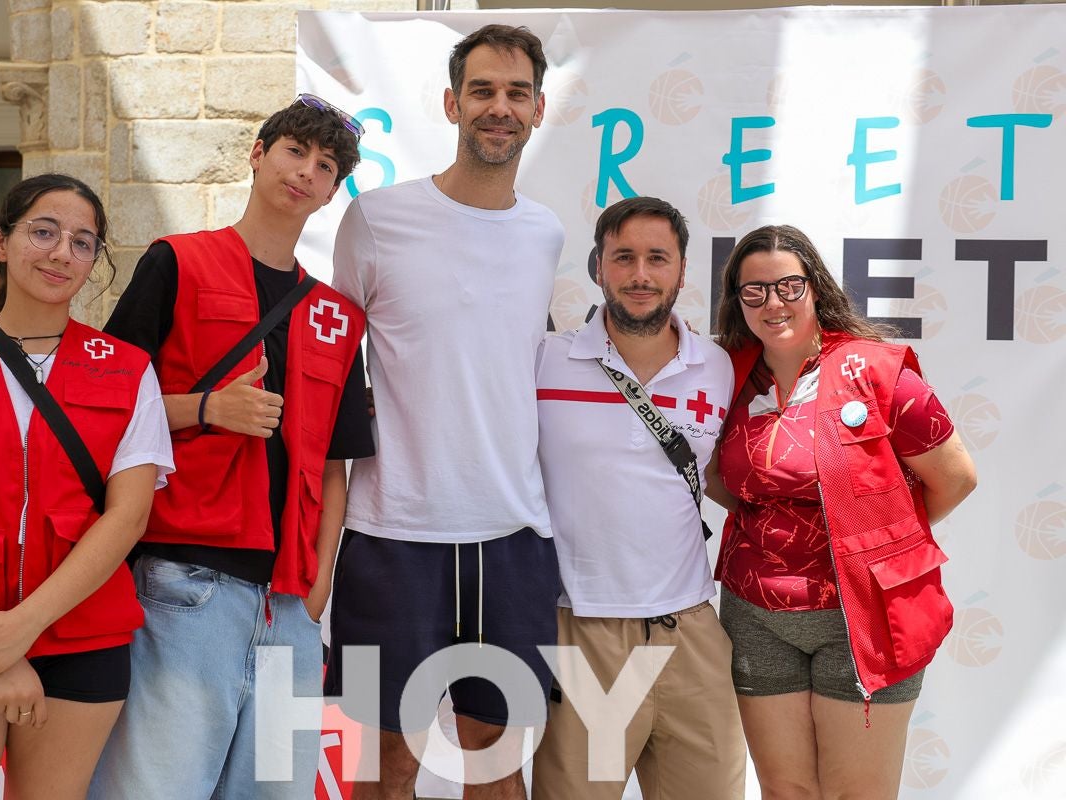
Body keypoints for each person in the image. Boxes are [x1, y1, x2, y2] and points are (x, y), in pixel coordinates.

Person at [89, 96, 372, 800]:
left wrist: (318, 590)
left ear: (333, 191)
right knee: (158, 789)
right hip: (186, 585)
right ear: (257, 153)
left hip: (290, 605)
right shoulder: (175, 264)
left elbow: (338, 465)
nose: (306, 171)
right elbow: (100, 409)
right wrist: (207, 407)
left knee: (273, 792)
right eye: (294, 151)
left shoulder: (336, 316)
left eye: (325, 165)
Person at [325, 23, 564, 800]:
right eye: (484, 91)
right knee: (387, 765)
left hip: (512, 536)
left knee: (497, 767)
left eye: (517, 93)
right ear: (452, 103)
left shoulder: (545, 234)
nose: (500, 107)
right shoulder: (376, 220)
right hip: (393, 534)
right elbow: (333, 372)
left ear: (537, 109)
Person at [0, 172, 174, 800]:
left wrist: (22, 630)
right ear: (1, 242)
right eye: (43, 232)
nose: (61, 252)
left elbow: (127, 519)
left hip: (79, 638)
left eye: (82, 241)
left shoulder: (129, 372)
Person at [709, 225, 977, 800]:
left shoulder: (877, 371)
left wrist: (878, 537)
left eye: (787, 286)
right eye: (753, 291)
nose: (772, 303)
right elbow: (718, 480)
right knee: (786, 791)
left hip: (864, 617)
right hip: (755, 616)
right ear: (736, 300)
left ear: (815, 287)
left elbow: (955, 477)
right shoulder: (725, 375)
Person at [531, 197, 745, 799]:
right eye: (624, 258)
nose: (641, 275)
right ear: (599, 268)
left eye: (658, 259)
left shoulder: (718, 367)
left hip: (693, 631)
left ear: (682, 272)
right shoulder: (547, 362)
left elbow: (733, 476)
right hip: (584, 632)